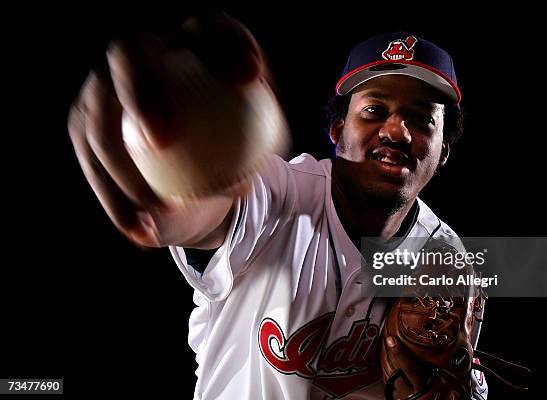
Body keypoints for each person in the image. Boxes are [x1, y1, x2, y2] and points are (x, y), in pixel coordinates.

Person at [68, 14, 488, 400]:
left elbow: (464, 382)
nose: (397, 130)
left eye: (422, 119)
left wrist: (463, 388)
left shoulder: (448, 259)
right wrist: (171, 187)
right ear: (337, 129)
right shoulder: (280, 195)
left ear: (444, 149)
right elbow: (211, 209)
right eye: (375, 110)